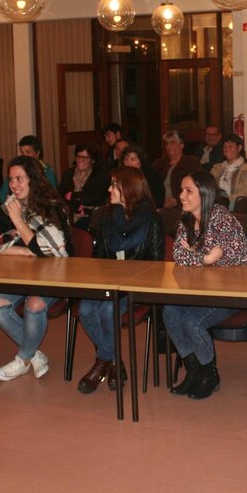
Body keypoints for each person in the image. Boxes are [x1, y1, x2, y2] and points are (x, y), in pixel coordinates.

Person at [164, 170, 247, 400]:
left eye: (188, 191)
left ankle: (209, 374)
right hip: (199, 291)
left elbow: (237, 259)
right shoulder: (186, 219)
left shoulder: (222, 218)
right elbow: (178, 256)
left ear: (204, 194)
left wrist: (197, 257)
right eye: (181, 190)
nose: (181, 195)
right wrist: (206, 259)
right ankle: (193, 370)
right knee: (170, 312)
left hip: (231, 291)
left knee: (191, 321)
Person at [77, 167, 164, 394]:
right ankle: (114, 361)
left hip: (137, 286)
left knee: (108, 310)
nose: (109, 189)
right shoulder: (106, 216)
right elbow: (99, 258)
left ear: (130, 188)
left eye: (114, 185)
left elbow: (156, 265)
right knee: (85, 309)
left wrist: (127, 278)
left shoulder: (151, 219)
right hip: (109, 283)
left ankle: (101, 364)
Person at [0, 156, 74, 382]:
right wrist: (22, 251)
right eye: (11, 179)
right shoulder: (10, 206)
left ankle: (23, 359)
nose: (13, 185)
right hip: (23, 273)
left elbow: (46, 252)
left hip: (58, 272)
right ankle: (33, 354)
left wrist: (18, 221)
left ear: (33, 179)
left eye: (19, 179)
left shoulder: (52, 207)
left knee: (34, 304)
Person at [58, 142, 110, 229]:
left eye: (84, 158)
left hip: (91, 217)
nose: (79, 160)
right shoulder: (68, 173)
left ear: (93, 160)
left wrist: (73, 196)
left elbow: (98, 198)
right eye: (78, 156)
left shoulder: (101, 175)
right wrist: (75, 205)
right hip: (69, 213)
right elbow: (61, 195)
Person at [0, 135, 58, 202]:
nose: (24, 156)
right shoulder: (17, 170)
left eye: (28, 152)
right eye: (22, 152)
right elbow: (2, 195)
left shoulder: (47, 172)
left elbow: (52, 197)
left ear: (37, 153)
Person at [153, 130, 202, 209]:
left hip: (181, 205)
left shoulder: (191, 162)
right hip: (160, 204)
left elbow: (197, 185)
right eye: (167, 144)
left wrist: (177, 200)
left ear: (181, 145)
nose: (169, 146)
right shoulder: (159, 163)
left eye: (172, 143)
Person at [209, 133, 247, 210]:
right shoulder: (217, 167)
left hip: (235, 204)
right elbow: (208, 185)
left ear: (239, 148)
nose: (227, 149)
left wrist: (226, 200)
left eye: (230, 146)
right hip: (217, 202)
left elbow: (246, 192)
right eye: (225, 147)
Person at [120, 144, 165, 209]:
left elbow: (157, 201)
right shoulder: (121, 176)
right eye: (126, 159)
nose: (128, 163)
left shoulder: (151, 176)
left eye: (132, 159)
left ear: (141, 161)